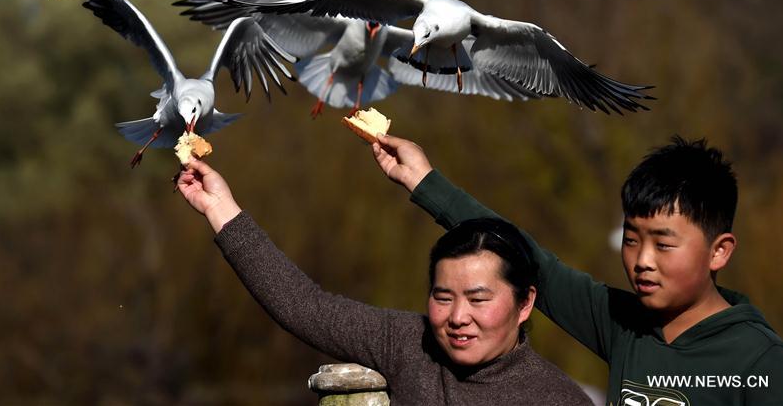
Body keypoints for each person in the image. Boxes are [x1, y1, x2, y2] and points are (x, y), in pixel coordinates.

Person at [370, 133, 783, 406]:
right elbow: (530, 259)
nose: (642, 259)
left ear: (719, 252)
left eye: (664, 244)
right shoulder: (624, 325)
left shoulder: (764, 362)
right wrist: (426, 183)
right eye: (631, 239)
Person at [176, 157, 593, 405]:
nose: (458, 317)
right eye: (443, 296)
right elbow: (303, 307)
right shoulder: (408, 343)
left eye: (478, 298)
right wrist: (219, 209)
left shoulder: (554, 397)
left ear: (525, 304)